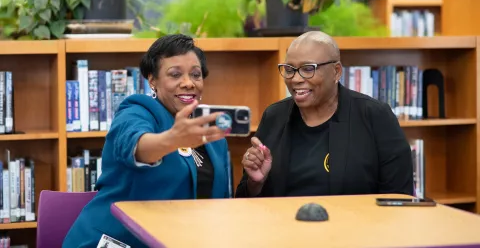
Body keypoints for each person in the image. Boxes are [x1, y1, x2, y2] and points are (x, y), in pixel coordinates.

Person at [63, 34, 231, 248]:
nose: (188, 83)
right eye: (175, 74)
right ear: (152, 80)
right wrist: (172, 139)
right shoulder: (137, 110)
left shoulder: (213, 137)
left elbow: (221, 205)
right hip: (116, 241)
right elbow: (135, 147)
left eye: (196, 75)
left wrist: (255, 182)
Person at [235, 31, 413, 198]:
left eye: (308, 68)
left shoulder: (375, 116)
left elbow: (399, 199)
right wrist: (255, 182)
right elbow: (244, 201)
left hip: (356, 228)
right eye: (289, 70)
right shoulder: (274, 116)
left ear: (336, 71)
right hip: (284, 228)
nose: (296, 79)